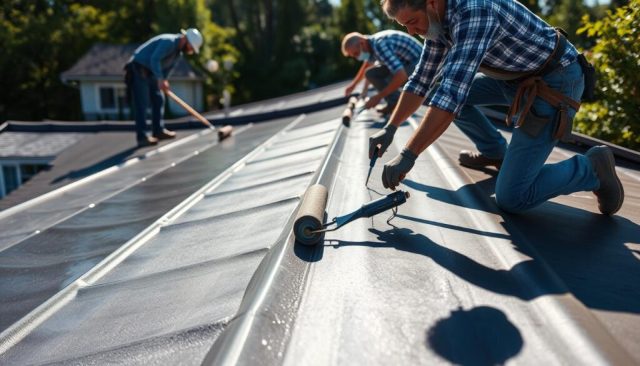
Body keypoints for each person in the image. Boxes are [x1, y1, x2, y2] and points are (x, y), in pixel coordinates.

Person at [369, 0, 624, 215]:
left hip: (555, 83)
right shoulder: (437, 22)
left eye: (412, 22)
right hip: (515, 79)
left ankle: (592, 169)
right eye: (406, 26)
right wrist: (390, 128)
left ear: (432, 3)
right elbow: (422, 80)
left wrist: (408, 154)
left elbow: (451, 97)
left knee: (513, 197)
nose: (412, 32)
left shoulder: (474, 12)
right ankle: (496, 153)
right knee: (436, 90)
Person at [124, 28, 203, 147]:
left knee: (159, 99)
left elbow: (167, 69)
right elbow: (154, 59)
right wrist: (160, 78)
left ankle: (158, 131)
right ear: (185, 39)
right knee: (143, 104)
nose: (190, 50)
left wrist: (164, 80)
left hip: (151, 73)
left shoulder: (178, 53)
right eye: (191, 47)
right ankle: (142, 137)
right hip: (139, 69)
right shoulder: (168, 42)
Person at [342, 30, 422, 114]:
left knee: (395, 79)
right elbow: (367, 68)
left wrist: (378, 97)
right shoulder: (370, 46)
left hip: (419, 63)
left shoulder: (379, 45)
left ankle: (399, 104)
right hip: (406, 63)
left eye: (356, 53)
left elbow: (401, 76)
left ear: (362, 43)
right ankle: (394, 102)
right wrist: (355, 86)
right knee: (371, 74)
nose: (357, 57)